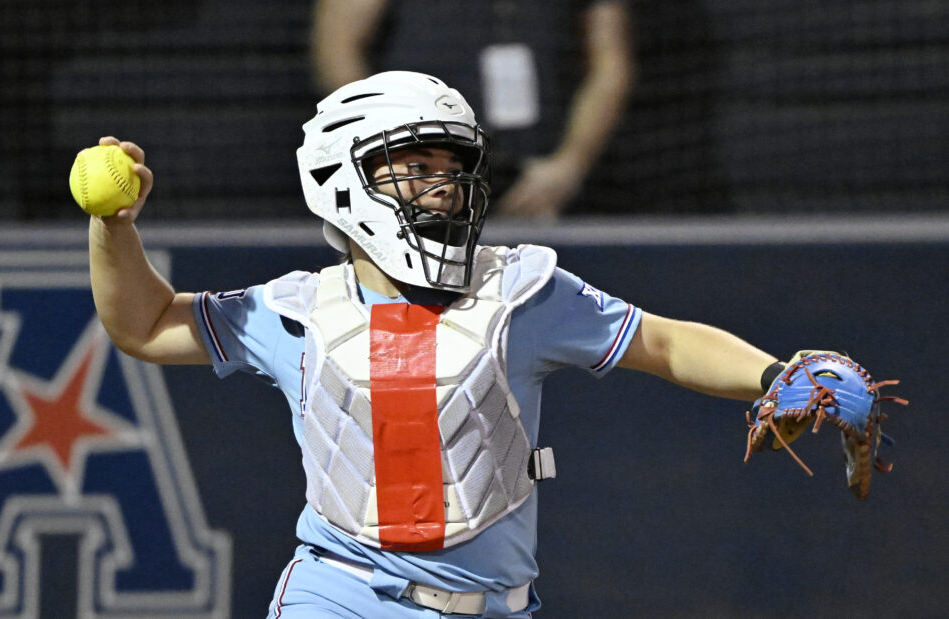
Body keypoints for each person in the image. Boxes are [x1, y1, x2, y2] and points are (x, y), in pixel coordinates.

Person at [88, 72, 779, 617]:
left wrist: (778, 373)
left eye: (451, 168)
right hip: (337, 597)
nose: (444, 189)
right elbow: (143, 325)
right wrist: (113, 226)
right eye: (415, 167)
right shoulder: (295, 310)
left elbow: (662, 341)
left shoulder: (520, 291)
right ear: (341, 176)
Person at [310, 0, 635, 219]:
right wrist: (395, 154)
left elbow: (610, 62)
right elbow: (337, 48)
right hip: (419, 174)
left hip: (541, 180)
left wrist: (569, 164)